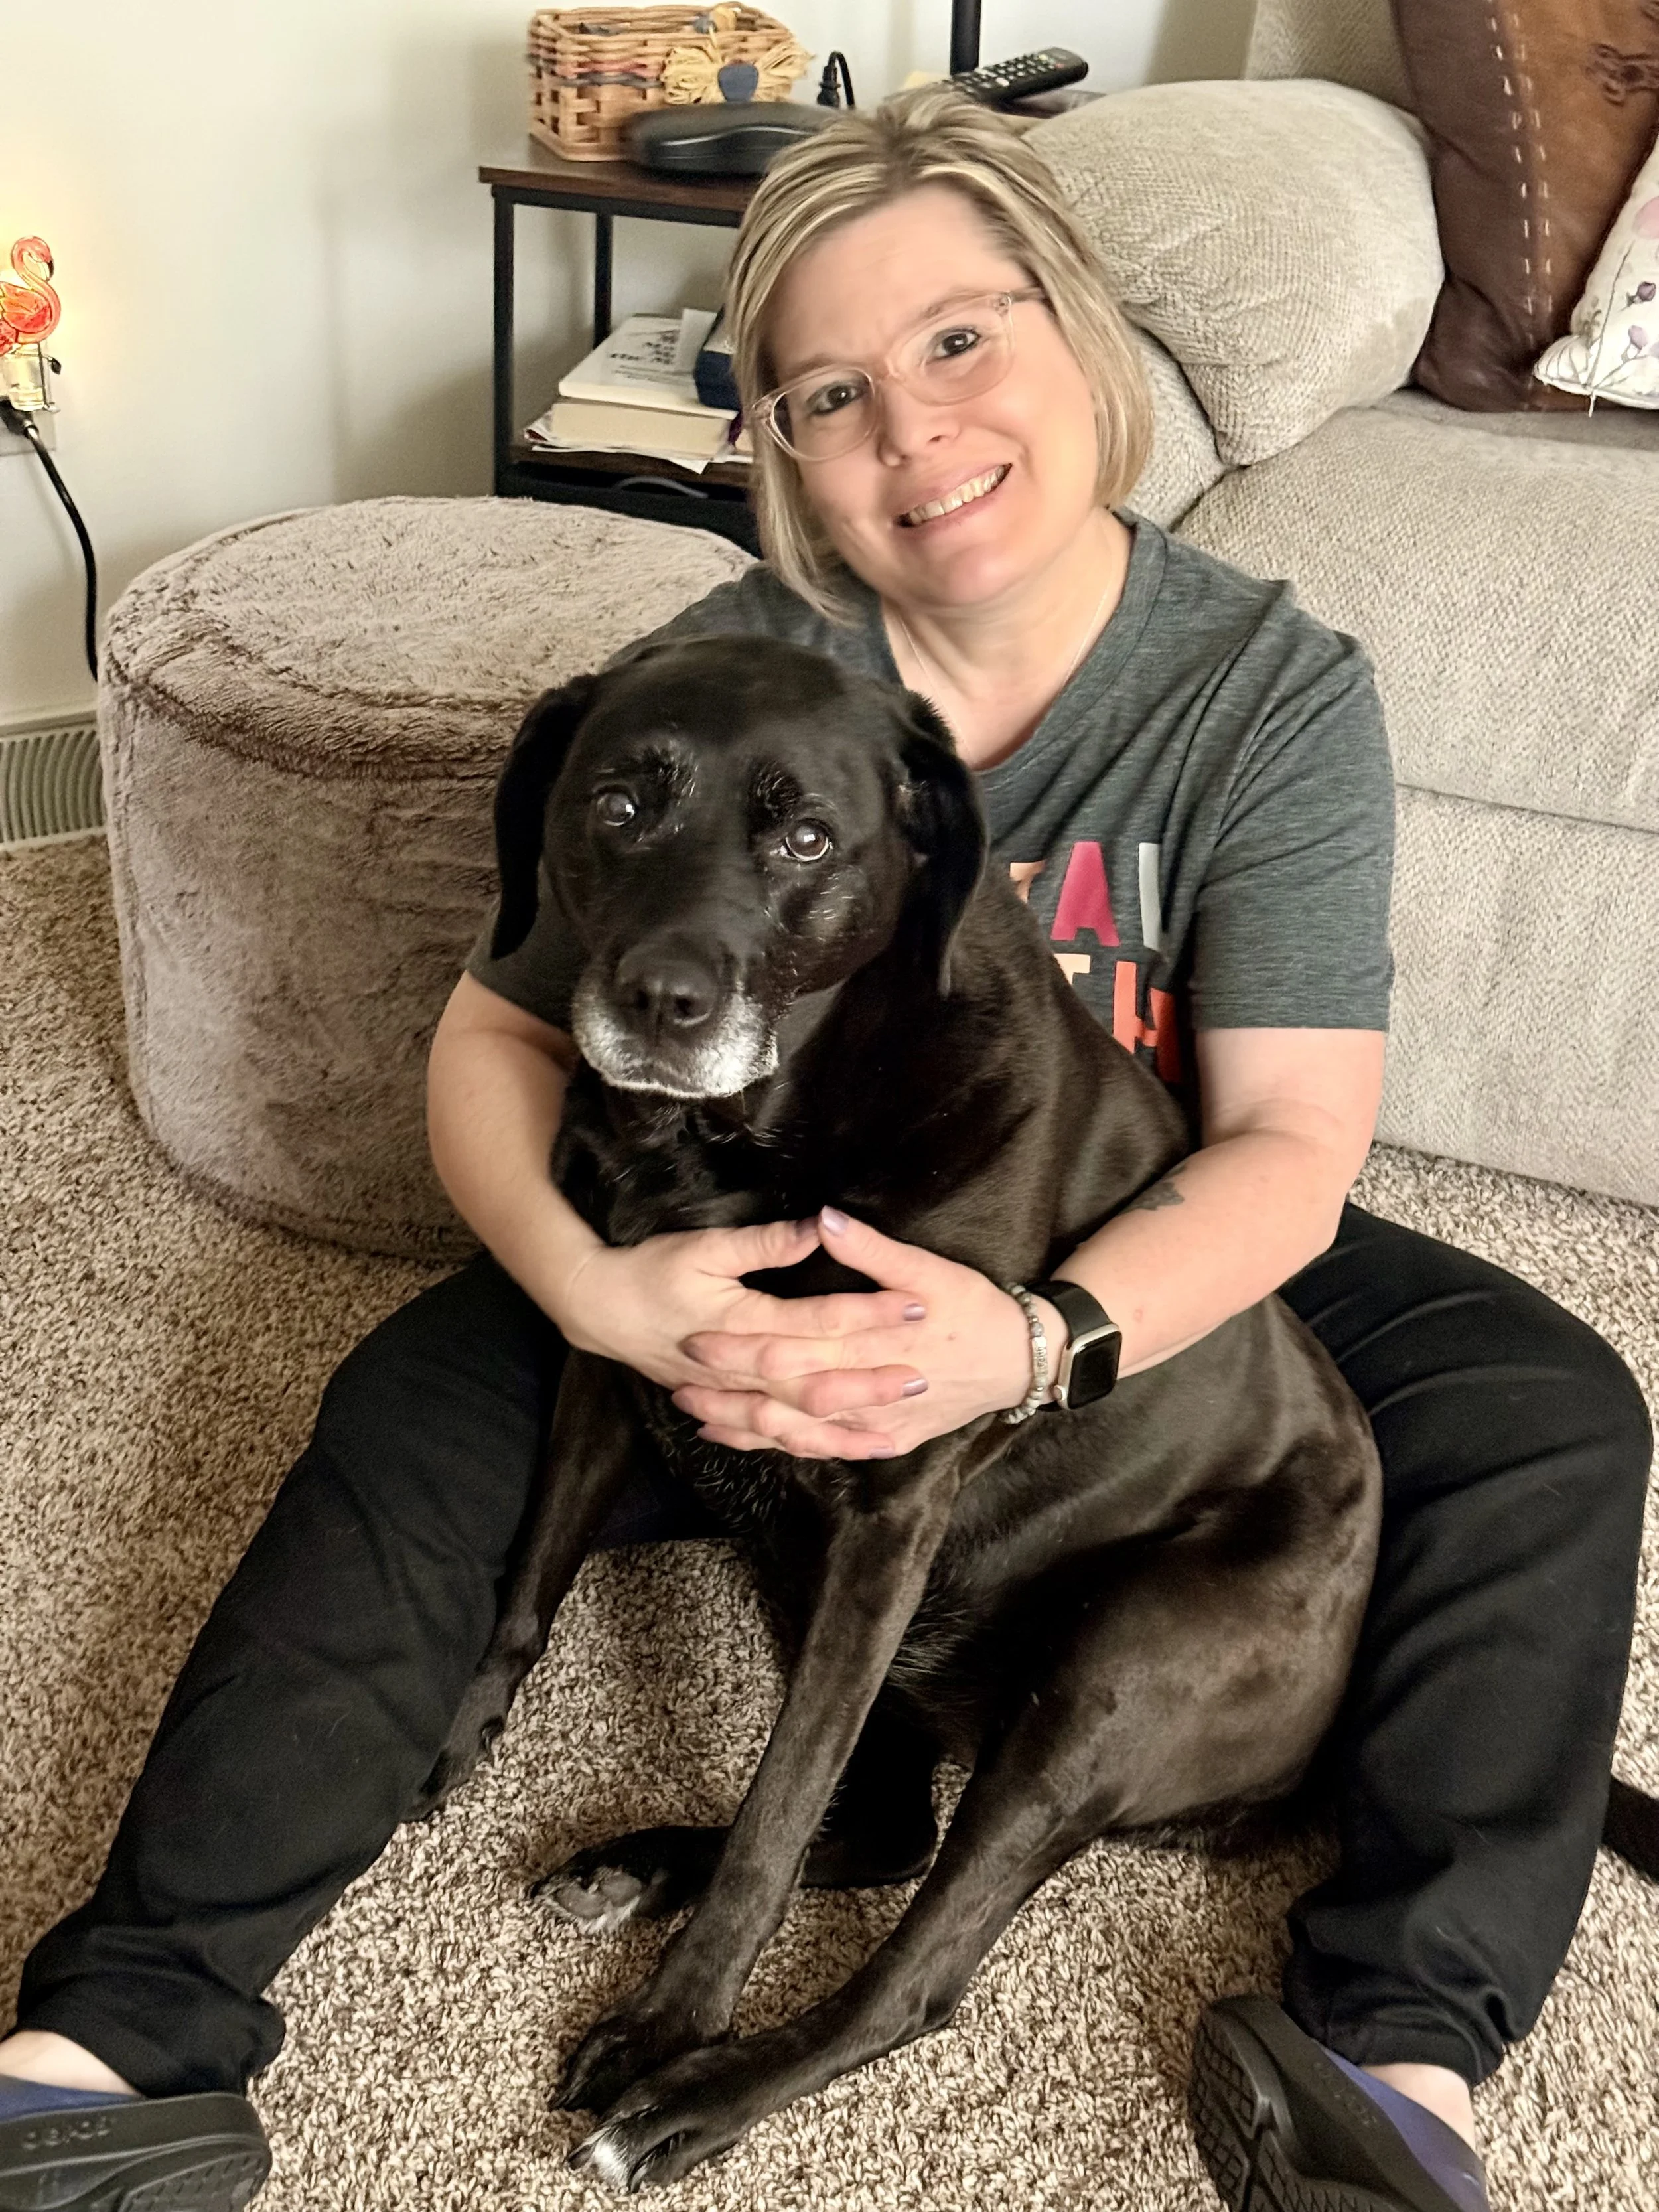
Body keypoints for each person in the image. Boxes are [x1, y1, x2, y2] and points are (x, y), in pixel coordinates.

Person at [1, 88, 1648, 2212]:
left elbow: (1291, 1146)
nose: (915, 427)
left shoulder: (1261, 694)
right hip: (712, 1209)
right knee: (420, 1403)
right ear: (778, 449)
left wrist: (1039, 1340)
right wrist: (589, 1282)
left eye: (965, 340)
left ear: (1080, 342)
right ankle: (120, 2037)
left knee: (1543, 1407)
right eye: (832, 391)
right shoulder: (726, 684)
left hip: (1123, 1215)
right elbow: (492, 1037)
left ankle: (1395, 2051)